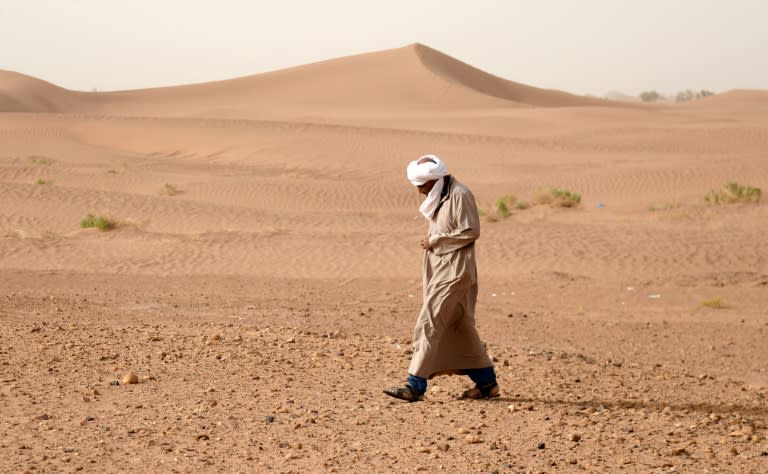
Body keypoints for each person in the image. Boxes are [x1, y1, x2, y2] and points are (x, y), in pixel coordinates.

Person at [384, 154, 500, 402]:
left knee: (429, 322)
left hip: (455, 271)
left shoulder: (460, 194)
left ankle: (414, 386)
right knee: (459, 326)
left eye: (422, 185)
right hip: (441, 269)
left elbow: (471, 230)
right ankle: (487, 383)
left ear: (435, 180)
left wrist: (436, 240)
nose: (419, 191)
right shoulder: (442, 195)